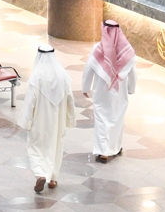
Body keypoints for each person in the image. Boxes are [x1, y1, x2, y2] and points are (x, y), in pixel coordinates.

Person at [20, 44, 75, 193]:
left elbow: (30, 101)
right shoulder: (63, 76)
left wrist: (26, 121)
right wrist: (70, 119)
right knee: (56, 146)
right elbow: (70, 99)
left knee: (36, 147)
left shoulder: (36, 76)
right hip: (58, 122)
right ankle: (53, 178)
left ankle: (40, 174)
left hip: (40, 121)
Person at [81, 20, 136, 163]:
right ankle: (114, 148)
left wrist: (85, 87)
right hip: (120, 93)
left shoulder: (98, 48)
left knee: (102, 119)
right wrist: (131, 88)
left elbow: (89, 68)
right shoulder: (126, 49)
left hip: (102, 92)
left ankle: (103, 152)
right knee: (117, 119)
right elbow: (132, 71)